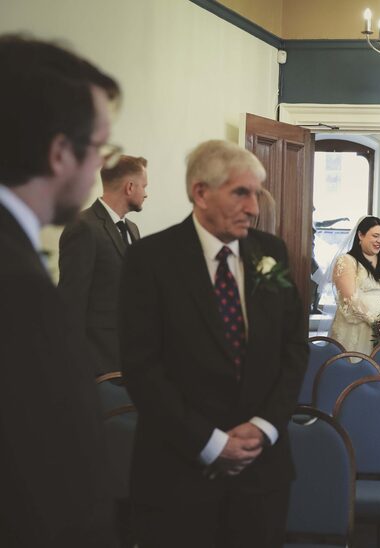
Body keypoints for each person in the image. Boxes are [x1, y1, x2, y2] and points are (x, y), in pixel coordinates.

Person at [120, 139, 307, 548]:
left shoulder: (270, 254)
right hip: (178, 474)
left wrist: (264, 426)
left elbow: (294, 349)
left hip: (262, 477)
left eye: (255, 194)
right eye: (241, 192)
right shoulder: (151, 260)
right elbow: (142, 368)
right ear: (200, 192)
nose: (254, 207)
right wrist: (211, 442)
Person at [0, 34, 121, 547]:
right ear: (58, 154)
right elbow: (49, 485)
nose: (100, 167)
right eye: (98, 149)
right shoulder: (21, 289)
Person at [58, 155, 148, 375]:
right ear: (129, 187)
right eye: (144, 186)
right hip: (96, 365)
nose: (146, 193)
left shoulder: (133, 229)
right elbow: (70, 303)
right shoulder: (82, 227)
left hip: (129, 361)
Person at [328, 215, 380, 354]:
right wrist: (378, 322)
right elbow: (350, 298)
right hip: (357, 325)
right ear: (360, 235)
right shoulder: (347, 261)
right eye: (375, 236)